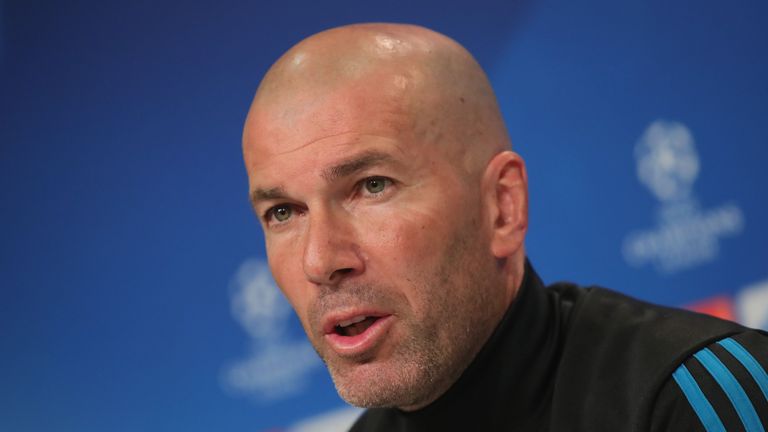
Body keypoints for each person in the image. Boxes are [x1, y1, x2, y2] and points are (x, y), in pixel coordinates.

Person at [241, 23, 767, 431]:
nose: (321, 260)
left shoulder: (686, 398)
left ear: (502, 206)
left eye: (372, 186)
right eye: (283, 212)